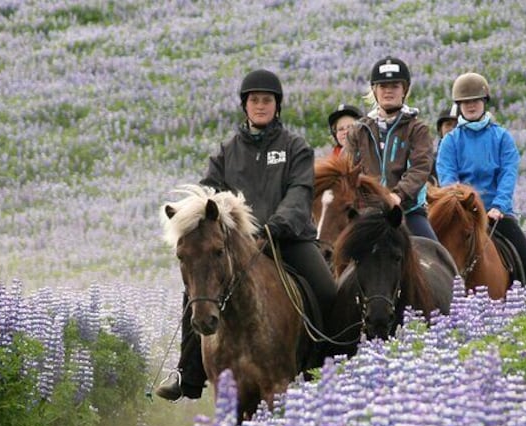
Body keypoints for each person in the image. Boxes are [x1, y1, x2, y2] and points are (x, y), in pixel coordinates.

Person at [156, 69, 337, 401]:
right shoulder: (228, 151)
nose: (260, 106)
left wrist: (274, 227)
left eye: (267, 100)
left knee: (327, 290)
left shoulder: (295, 147)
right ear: (245, 106)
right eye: (254, 100)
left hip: (287, 239)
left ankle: (332, 366)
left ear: (276, 106)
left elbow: (299, 195)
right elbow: (208, 193)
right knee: (196, 291)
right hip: (237, 244)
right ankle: (188, 373)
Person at [436, 72, 526, 287]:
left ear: (484, 102)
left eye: (475, 100)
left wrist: (500, 206)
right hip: (464, 214)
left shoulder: (502, 137)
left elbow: (508, 173)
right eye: (465, 102)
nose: (471, 106)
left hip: (496, 213)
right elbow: (448, 179)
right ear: (459, 105)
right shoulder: (450, 141)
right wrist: (463, 207)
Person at [344, 56, 438, 240]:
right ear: (374, 90)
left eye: (395, 86)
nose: (388, 91)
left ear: (405, 90)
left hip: (407, 210)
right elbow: (347, 169)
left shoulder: (418, 129)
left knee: (437, 254)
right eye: (383, 86)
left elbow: (419, 168)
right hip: (367, 212)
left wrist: (398, 195)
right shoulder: (358, 130)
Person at [432, 104, 458, 184]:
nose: (452, 129)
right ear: (440, 130)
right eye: (448, 125)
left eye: (456, 125)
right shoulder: (432, 160)